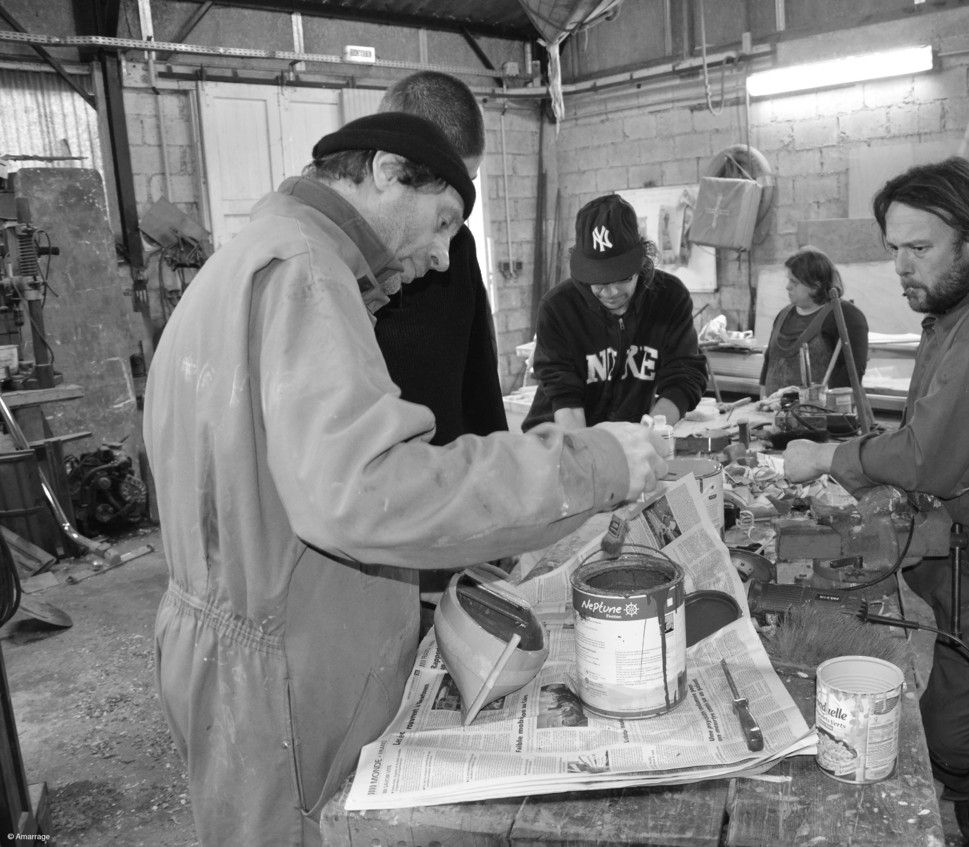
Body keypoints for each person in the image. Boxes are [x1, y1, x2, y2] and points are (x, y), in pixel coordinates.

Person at [143, 112, 666, 847]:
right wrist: (593, 463)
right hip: (277, 679)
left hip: (232, 650)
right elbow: (368, 491)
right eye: (444, 221)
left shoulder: (246, 261)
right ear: (388, 173)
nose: (446, 256)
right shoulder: (305, 272)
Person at [783, 157, 969, 847]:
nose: (900, 266)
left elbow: (930, 455)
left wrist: (828, 458)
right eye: (893, 248)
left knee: (957, 733)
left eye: (919, 248)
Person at [373, 71, 506, 445]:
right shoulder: (333, 264)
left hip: (455, 467)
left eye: (468, 185)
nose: (457, 205)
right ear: (392, 171)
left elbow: (480, 379)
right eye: (446, 186)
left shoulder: (458, 247)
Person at [521, 193, 708, 431]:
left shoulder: (669, 298)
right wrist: (589, 449)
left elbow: (684, 376)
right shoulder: (558, 308)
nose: (611, 292)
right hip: (561, 438)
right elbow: (565, 395)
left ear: (641, 262)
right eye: (598, 282)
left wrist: (650, 431)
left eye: (622, 279)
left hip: (628, 436)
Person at [758, 246, 869, 398]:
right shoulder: (784, 315)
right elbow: (768, 363)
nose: (787, 287)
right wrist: (763, 402)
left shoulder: (845, 316)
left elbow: (851, 375)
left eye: (794, 282)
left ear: (815, 286)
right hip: (774, 409)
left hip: (823, 411)